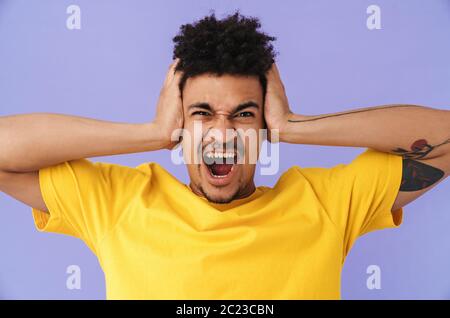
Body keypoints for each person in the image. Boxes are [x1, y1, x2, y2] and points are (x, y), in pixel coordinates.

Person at [0, 12, 449, 299]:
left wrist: (294, 125)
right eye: (201, 113)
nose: (221, 132)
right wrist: (153, 133)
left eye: (243, 114)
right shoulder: (119, 203)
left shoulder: (327, 204)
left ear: (263, 127)